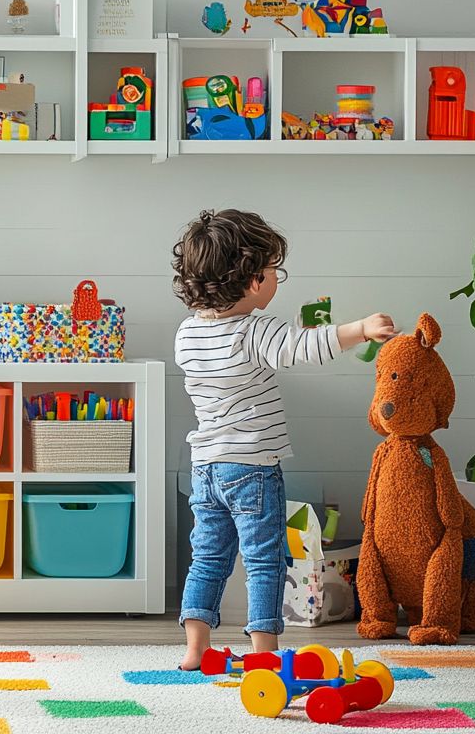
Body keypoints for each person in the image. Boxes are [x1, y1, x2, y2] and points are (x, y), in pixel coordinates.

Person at [172, 209, 396, 670]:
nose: (277, 280)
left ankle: (194, 650)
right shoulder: (257, 329)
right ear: (254, 280)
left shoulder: (188, 333)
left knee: (208, 558)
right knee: (265, 561)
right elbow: (301, 350)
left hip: (205, 467)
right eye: (275, 271)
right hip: (252, 466)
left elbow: (269, 352)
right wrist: (359, 329)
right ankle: (265, 654)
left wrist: (292, 330)